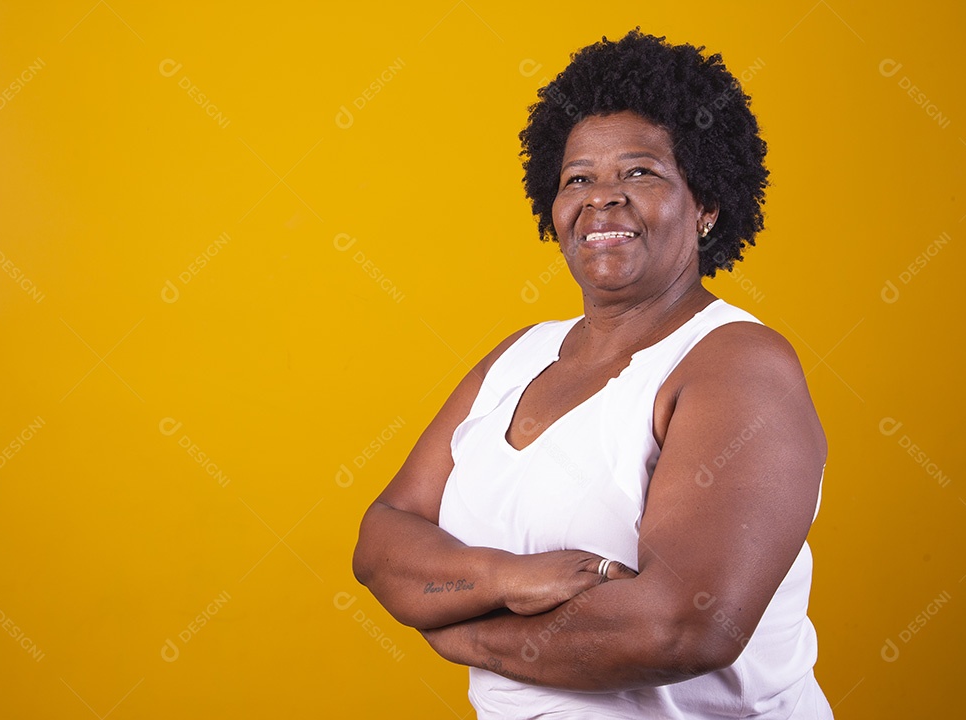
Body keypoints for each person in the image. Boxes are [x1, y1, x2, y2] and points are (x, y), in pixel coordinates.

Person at [353, 29, 832, 719]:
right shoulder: (520, 355)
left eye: (640, 172)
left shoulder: (739, 365)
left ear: (706, 206)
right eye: (579, 177)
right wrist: (510, 578)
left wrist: (462, 630)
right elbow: (383, 540)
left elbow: (681, 627)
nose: (602, 199)